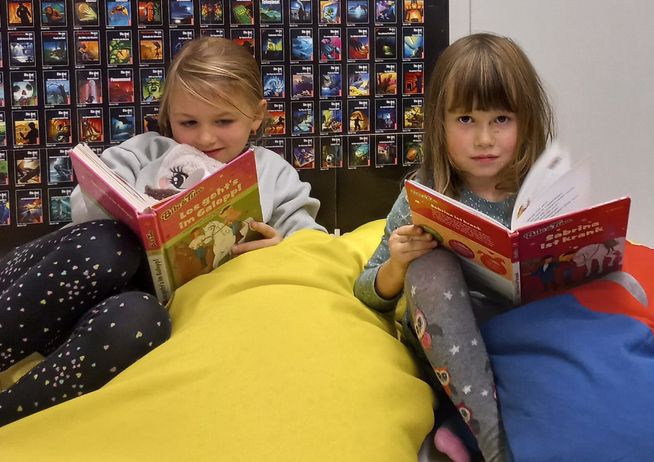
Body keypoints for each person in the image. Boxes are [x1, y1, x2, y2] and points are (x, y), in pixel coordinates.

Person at [0, 37, 324, 427]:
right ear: (168, 115)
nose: (205, 138)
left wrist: (280, 247)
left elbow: (315, 248)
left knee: (144, 320)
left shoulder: (273, 173)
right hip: (58, 288)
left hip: (102, 321)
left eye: (224, 121)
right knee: (109, 245)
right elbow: (83, 213)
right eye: (189, 122)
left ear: (256, 116)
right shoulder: (144, 151)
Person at [353, 32, 556, 462]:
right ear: (439, 124)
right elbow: (366, 288)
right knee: (432, 270)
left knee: (625, 282)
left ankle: (485, 423)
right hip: (451, 347)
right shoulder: (425, 192)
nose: (484, 139)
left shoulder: (539, 191)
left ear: (527, 121)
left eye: (501, 119)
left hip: (525, 335)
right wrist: (398, 264)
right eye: (466, 120)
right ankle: (494, 445)